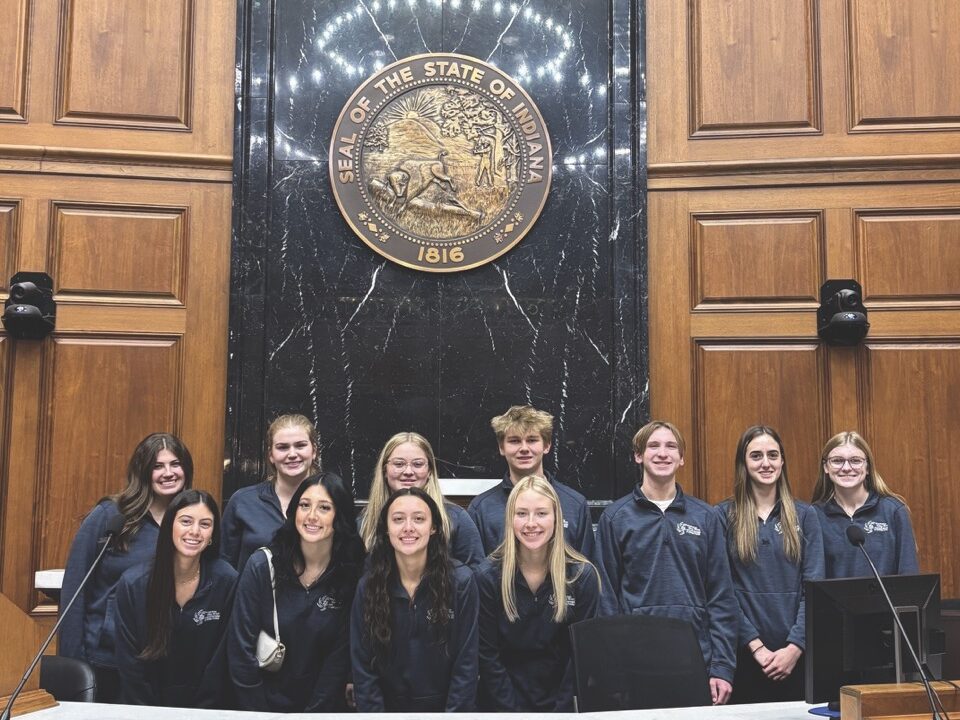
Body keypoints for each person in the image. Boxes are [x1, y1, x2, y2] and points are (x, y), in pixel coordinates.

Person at [594, 420, 738, 705]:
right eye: (653, 446)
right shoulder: (615, 517)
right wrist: (614, 668)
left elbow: (721, 597)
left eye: (671, 446)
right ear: (638, 455)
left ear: (682, 458)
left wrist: (722, 667)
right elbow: (606, 599)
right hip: (635, 664)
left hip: (697, 659)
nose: (663, 453)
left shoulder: (706, 517)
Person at [59, 433, 193, 702]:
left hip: (165, 661)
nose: (168, 473)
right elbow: (75, 589)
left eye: (175, 464)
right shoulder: (112, 516)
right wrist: (72, 663)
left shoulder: (190, 520)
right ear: (143, 472)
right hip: (107, 659)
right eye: (157, 466)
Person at [228, 472, 363, 712]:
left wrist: (312, 716)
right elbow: (240, 651)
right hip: (258, 706)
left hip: (321, 709)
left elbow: (338, 660)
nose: (311, 516)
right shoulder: (262, 565)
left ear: (339, 516)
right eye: (304, 505)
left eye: (324, 508)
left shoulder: (350, 573)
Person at [717, 426, 824, 703]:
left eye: (772, 455)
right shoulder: (721, 516)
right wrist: (757, 649)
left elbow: (814, 590)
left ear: (782, 461)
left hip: (798, 659)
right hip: (745, 658)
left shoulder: (805, 515)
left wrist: (794, 647)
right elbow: (723, 592)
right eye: (756, 456)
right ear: (744, 463)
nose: (766, 463)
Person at [476, 475, 601, 711]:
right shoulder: (487, 577)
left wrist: (559, 712)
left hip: (561, 705)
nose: (531, 523)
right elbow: (487, 655)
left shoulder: (582, 577)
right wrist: (512, 712)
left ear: (556, 518)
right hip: (501, 705)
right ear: (510, 519)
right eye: (521, 514)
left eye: (541, 513)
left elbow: (579, 657)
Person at [351, 487, 479, 711]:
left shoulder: (461, 582)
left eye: (419, 519)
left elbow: (466, 666)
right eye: (398, 519)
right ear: (386, 529)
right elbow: (363, 669)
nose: (408, 528)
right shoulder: (368, 586)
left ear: (434, 528)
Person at [115, 490, 238, 707]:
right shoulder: (134, 583)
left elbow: (221, 662)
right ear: (169, 525)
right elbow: (130, 666)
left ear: (213, 535)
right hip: (145, 709)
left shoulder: (227, 581)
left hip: (208, 710)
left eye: (205, 524)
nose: (195, 531)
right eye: (186, 521)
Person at [468, 405, 594, 558]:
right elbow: (476, 573)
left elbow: (586, 568)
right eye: (514, 441)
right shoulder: (481, 508)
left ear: (546, 445)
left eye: (532, 440)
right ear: (502, 447)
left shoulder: (575, 504)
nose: (524, 448)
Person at [359, 432, 483, 567]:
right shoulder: (364, 521)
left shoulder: (456, 518)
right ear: (385, 469)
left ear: (429, 470)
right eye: (399, 464)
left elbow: (475, 575)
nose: (408, 471)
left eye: (417, 464)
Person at [221, 414, 322, 571]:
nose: (292, 454)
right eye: (283, 447)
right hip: (252, 595)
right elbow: (224, 567)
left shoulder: (332, 501)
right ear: (271, 455)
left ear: (314, 451)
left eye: (300, 445)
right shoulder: (243, 502)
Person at [812, 431, 918, 578]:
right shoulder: (814, 515)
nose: (847, 468)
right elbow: (812, 577)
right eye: (837, 460)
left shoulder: (893, 511)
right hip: (835, 601)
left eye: (855, 460)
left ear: (868, 467)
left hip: (887, 601)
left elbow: (909, 574)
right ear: (826, 467)